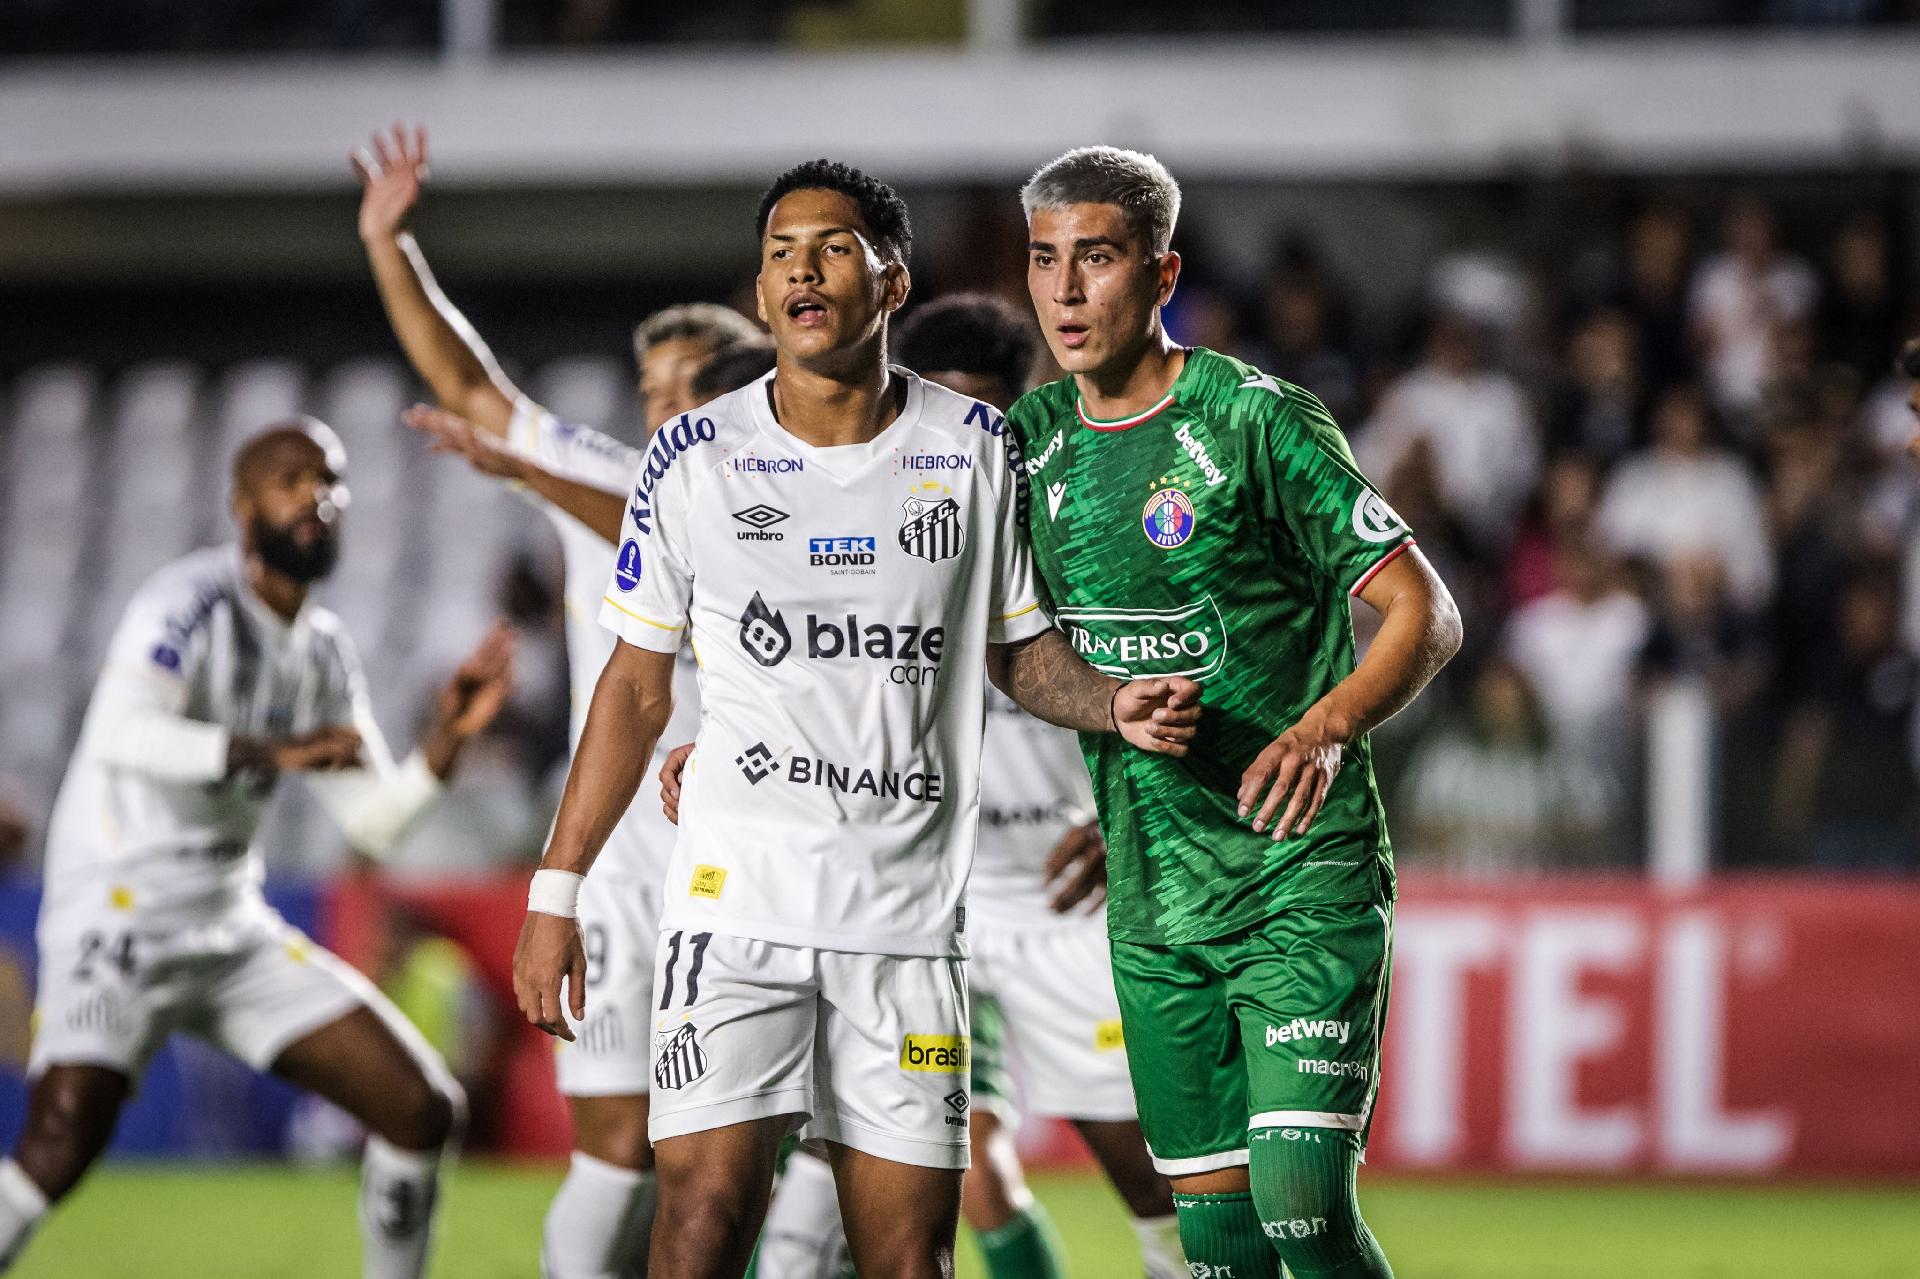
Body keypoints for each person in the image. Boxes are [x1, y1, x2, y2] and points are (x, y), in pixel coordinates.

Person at [511, 159, 1200, 1279]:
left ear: (891, 281)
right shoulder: (692, 459)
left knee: (907, 1255)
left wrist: (1113, 706)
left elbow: (1021, 656)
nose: (801, 270)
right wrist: (558, 890)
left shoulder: (976, 453)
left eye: (830, 247)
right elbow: (635, 689)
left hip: (909, 930)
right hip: (738, 912)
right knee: (698, 1221)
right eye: (780, 252)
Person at [1004, 147, 1462, 1279]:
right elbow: (1008, 654)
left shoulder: (1255, 421)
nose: (1064, 291)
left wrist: (1325, 724)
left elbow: (1424, 609)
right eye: (1044, 261)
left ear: (1161, 276)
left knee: (1301, 1201)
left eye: (1095, 260)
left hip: (1298, 873)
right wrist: (1109, 704)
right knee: (1217, 1244)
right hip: (1156, 901)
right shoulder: (1026, 446)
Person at [664, 295, 1188, 1279]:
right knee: (963, 1176)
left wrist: (1134, 819)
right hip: (914, 900)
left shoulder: (1079, 536)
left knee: (1148, 1171)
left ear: (1021, 410)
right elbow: (820, 669)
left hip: (1056, 897)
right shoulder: (861, 516)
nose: (960, 438)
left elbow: (1168, 683)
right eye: (942, 408)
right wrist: (725, 749)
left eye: (984, 411)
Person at [352, 122, 766, 1279]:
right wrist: (393, 249)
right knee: (622, 1151)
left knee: (749, 1163)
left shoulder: (769, 503)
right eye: (651, 391)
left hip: (754, 858)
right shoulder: (618, 478)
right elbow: (466, 387)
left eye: (685, 389)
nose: (661, 411)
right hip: (631, 864)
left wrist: (529, 472)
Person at [0, 420, 514, 1278]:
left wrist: (441, 747)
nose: (314, 494)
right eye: (288, 478)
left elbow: (372, 822)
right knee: (59, 1141)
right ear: (242, 504)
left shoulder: (321, 650)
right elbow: (125, 731)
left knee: (421, 1109)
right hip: (119, 906)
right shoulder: (188, 600)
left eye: (329, 479)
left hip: (228, 922)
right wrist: (270, 751)